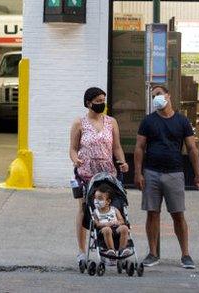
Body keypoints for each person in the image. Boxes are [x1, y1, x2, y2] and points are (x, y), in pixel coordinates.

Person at [134, 84, 199, 269]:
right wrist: (138, 172)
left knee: (178, 214)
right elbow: (139, 147)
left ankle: (185, 254)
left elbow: (192, 148)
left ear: (168, 95)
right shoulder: (148, 121)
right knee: (152, 213)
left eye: (158, 94)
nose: (156, 98)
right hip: (151, 173)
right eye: (153, 96)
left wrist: (198, 174)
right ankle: (152, 253)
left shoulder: (182, 121)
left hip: (175, 172)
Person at [69, 87, 129, 265]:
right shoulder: (79, 123)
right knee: (84, 209)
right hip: (86, 174)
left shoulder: (111, 122)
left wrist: (122, 162)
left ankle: (110, 246)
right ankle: (81, 250)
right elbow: (72, 148)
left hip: (107, 174)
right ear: (88, 103)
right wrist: (76, 159)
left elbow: (116, 147)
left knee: (109, 208)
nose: (101, 103)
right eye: (98, 101)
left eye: (103, 100)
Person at [92, 186, 131, 257]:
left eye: (100, 199)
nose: (97, 201)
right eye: (95, 198)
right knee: (107, 229)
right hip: (103, 230)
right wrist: (105, 224)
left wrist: (117, 222)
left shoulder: (114, 210)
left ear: (108, 201)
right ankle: (111, 250)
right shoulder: (95, 212)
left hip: (116, 228)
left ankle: (122, 249)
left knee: (125, 228)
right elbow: (96, 224)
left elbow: (121, 220)